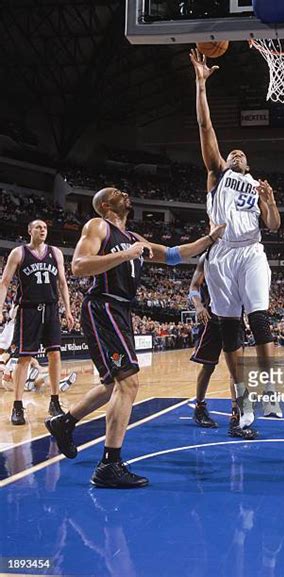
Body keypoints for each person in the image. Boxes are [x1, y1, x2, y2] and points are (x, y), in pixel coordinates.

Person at [45, 187, 225, 488]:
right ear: (105, 204)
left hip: (121, 311)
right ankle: (109, 465)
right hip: (102, 305)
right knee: (128, 381)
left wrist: (209, 240)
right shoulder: (98, 225)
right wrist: (127, 255)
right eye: (116, 191)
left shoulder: (134, 239)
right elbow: (77, 265)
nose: (124, 192)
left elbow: (173, 255)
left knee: (110, 386)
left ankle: (64, 422)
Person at [190, 48, 282, 428]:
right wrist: (201, 86)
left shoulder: (257, 186)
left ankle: (270, 390)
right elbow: (206, 129)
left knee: (259, 319)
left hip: (251, 252)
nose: (237, 152)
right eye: (232, 152)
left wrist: (271, 201)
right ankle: (241, 402)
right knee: (230, 331)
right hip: (221, 255)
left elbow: (274, 226)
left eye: (242, 152)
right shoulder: (218, 176)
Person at [0, 220, 74, 425]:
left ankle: (55, 401)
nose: (43, 230)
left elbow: (62, 283)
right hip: (28, 310)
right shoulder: (19, 253)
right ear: (29, 230)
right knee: (24, 358)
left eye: (45, 228)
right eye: (38, 227)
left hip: (50, 308)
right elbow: (4, 282)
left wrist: (67, 310)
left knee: (55, 354)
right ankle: (17, 406)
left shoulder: (55, 252)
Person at [189, 254, 256, 438]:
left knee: (236, 369)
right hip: (211, 317)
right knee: (208, 365)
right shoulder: (207, 256)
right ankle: (200, 407)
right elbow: (194, 287)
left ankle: (236, 416)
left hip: (234, 318)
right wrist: (198, 306)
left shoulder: (242, 256)